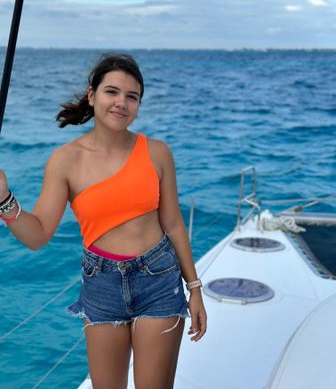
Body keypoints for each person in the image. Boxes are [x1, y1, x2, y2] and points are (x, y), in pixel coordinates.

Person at [0, 53, 207, 389]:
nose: (121, 103)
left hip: (158, 279)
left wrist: (194, 289)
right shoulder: (65, 161)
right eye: (112, 92)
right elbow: (37, 235)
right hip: (102, 285)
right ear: (92, 96)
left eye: (132, 96)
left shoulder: (158, 153)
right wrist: (4, 199)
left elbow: (173, 224)